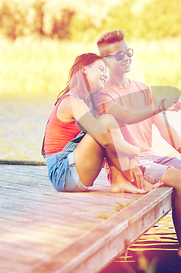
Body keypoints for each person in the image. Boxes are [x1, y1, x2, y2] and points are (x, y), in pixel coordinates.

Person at [95, 30, 181, 249]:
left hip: (151, 157)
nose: (127, 58)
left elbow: (165, 128)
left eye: (128, 52)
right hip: (129, 163)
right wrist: (163, 104)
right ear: (105, 61)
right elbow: (127, 115)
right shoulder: (102, 95)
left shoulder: (143, 89)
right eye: (119, 55)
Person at [41, 52, 158, 194]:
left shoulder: (86, 103)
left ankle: (119, 181)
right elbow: (106, 140)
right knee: (106, 123)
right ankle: (125, 179)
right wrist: (135, 151)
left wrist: (132, 162)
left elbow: (109, 143)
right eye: (101, 69)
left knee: (107, 121)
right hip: (63, 174)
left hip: (74, 171)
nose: (105, 75)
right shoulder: (71, 101)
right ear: (84, 69)